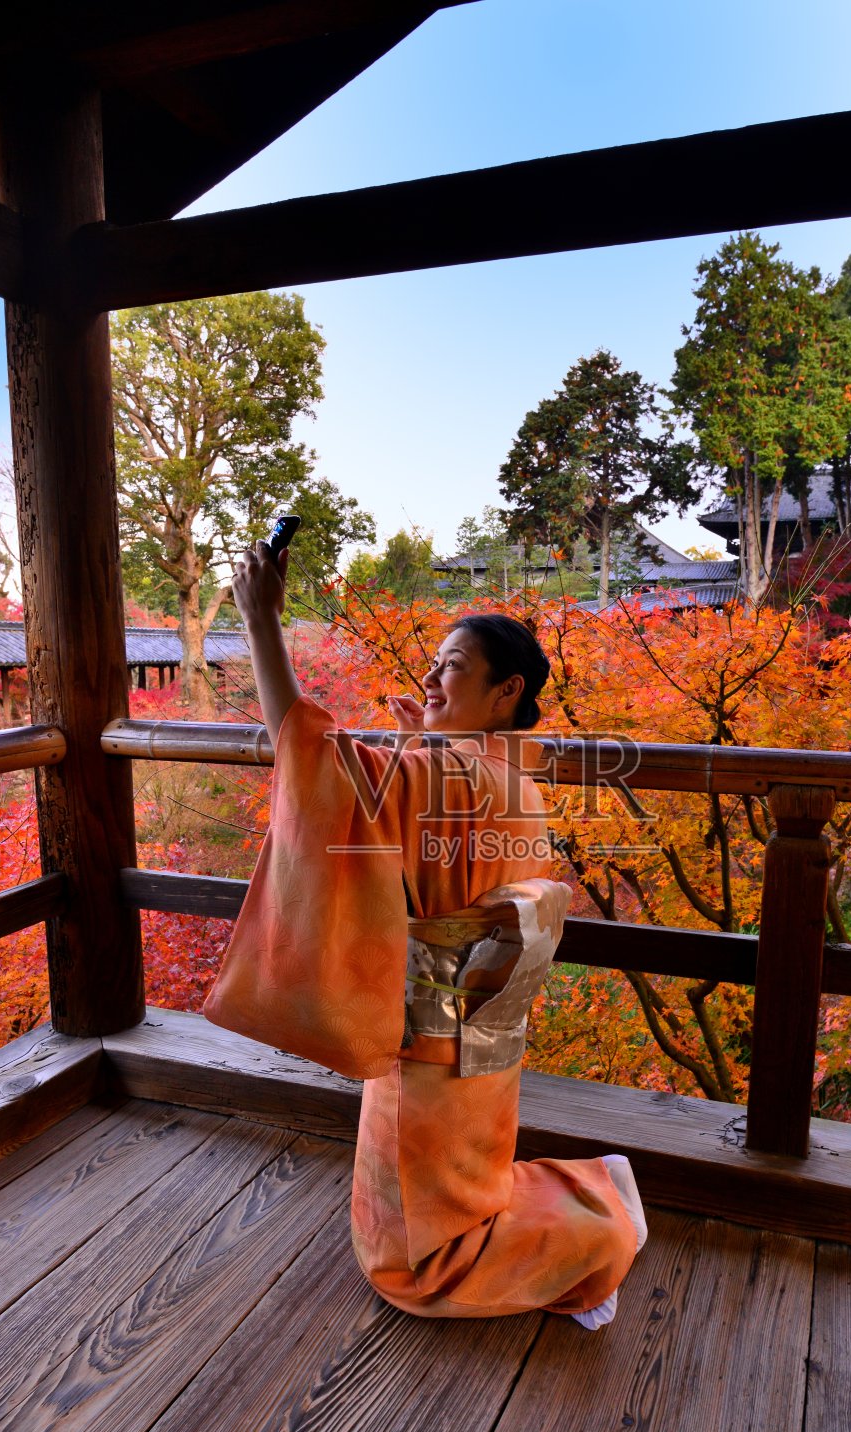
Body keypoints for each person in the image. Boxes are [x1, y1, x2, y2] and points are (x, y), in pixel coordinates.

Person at [209, 539, 646, 1329]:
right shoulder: (515, 774)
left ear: (505, 690)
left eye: (450, 666)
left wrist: (262, 623)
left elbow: (313, 760)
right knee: (469, 1179)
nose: (429, 679)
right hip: (487, 1024)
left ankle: (594, 1239)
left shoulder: (451, 773)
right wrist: (427, 742)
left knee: (413, 1260)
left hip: (429, 1026)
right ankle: (590, 1205)